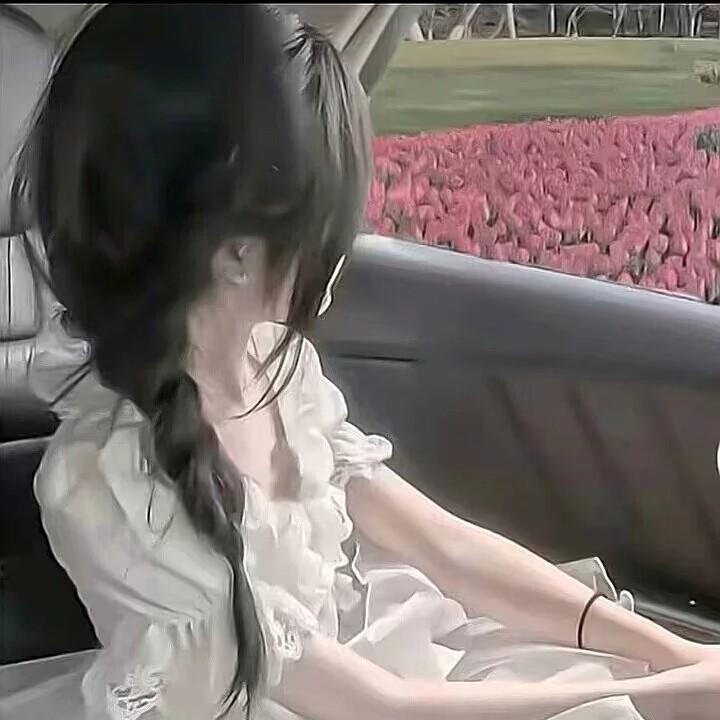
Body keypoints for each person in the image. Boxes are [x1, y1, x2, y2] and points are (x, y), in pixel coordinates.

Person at [2, 5, 720, 720]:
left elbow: (447, 547)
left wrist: (676, 654)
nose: (349, 238)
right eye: (327, 220)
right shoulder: (109, 483)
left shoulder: (277, 369)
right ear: (237, 253)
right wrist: (653, 694)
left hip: (362, 672)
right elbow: (377, 707)